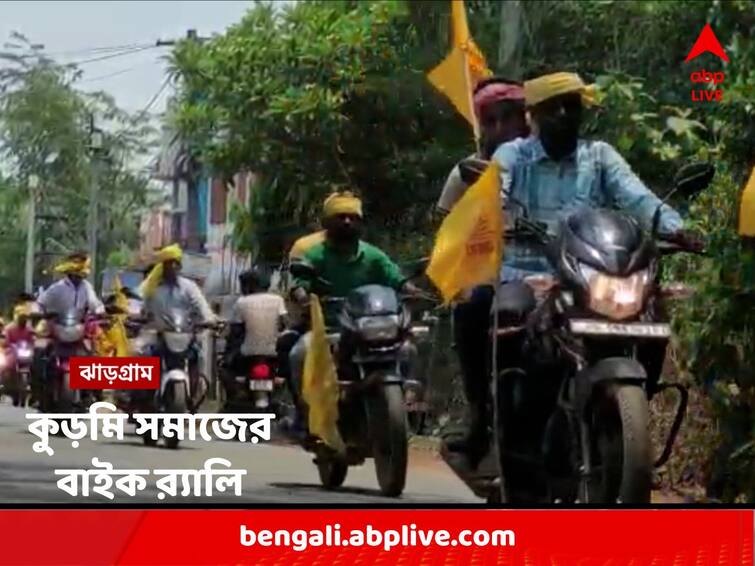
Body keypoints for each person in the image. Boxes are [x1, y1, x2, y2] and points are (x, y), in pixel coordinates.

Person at [448, 71, 701, 467]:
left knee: (652, 314)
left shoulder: (600, 156)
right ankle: (493, 419)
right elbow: (493, 190)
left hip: (588, 275)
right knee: (494, 312)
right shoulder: (512, 156)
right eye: (554, 108)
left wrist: (679, 229)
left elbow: (637, 197)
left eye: (573, 106)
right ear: (533, 116)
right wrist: (494, 212)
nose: (565, 114)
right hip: (526, 273)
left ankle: (626, 410)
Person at [438, 78, 530, 462]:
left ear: (526, 121)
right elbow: (444, 223)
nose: (498, 130)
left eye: (507, 120)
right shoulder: (467, 171)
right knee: (472, 307)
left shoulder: (556, 160)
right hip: (494, 275)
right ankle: (480, 417)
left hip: (562, 270)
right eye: (489, 121)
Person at [288, 191, 416, 434]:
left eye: (352, 217)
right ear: (326, 223)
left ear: (360, 223)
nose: (347, 222)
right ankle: (304, 413)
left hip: (370, 330)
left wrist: (412, 290)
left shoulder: (373, 255)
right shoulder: (314, 255)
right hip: (328, 329)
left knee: (408, 349)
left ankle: (401, 402)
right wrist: (302, 296)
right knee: (299, 353)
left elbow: (395, 278)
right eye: (340, 216)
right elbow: (298, 282)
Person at [139, 244, 217, 410]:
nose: (172, 267)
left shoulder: (189, 287)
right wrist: (142, 318)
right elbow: (144, 310)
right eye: (168, 264)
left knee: (198, 356)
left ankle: (195, 395)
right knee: (145, 357)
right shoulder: (153, 288)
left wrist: (209, 319)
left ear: (180, 266)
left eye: (175, 263)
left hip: (184, 335)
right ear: (162, 266)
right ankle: (146, 400)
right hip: (160, 335)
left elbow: (202, 306)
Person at [224, 266, 287, 398]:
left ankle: (235, 397)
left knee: (225, 368)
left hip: (248, 355)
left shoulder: (241, 302)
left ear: (249, 286)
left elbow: (235, 332)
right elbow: (284, 324)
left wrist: (228, 353)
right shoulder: (278, 300)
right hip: (274, 355)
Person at [36, 252, 105, 318]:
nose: (79, 278)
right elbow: (41, 302)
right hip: (59, 325)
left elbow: (94, 303)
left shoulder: (86, 287)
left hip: (79, 325)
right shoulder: (58, 287)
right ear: (70, 272)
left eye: (81, 276)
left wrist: (100, 310)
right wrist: (40, 313)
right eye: (76, 275)